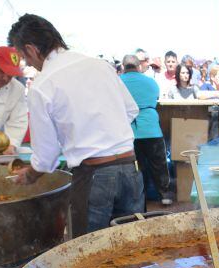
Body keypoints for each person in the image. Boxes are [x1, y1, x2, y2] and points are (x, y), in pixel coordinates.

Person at [8, 14, 143, 236]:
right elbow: (130, 110)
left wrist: (30, 175)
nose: (28, 64)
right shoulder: (100, 65)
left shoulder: (42, 86)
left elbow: (46, 156)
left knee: (89, 255)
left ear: (31, 49)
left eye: (24, 57)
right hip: (130, 170)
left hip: (94, 175)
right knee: (131, 251)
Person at [120, 55, 174, 206]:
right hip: (151, 129)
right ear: (138, 67)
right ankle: (165, 196)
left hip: (129, 131)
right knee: (159, 164)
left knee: (136, 167)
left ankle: (139, 198)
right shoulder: (151, 82)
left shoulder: (118, 82)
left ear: (124, 67)